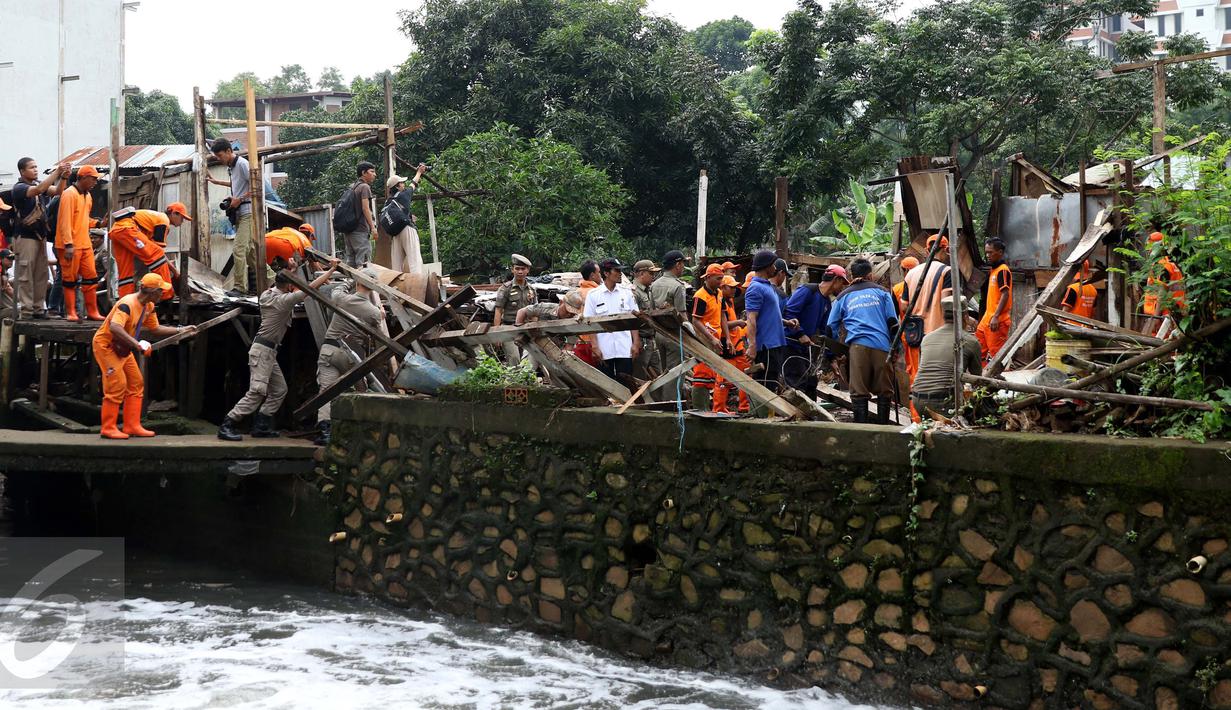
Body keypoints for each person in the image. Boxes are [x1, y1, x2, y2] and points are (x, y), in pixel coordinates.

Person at [218, 258, 340, 441]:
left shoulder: (267, 294)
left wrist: (292, 269)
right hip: (263, 351)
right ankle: (229, 423)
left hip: (268, 351)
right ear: (289, 286)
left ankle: (261, 424)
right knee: (258, 390)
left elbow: (285, 280)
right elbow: (310, 289)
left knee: (279, 389)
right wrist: (331, 270)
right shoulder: (283, 301)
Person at [92, 273, 195, 439]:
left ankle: (132, 425)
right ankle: (108, 427)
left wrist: (181, 330)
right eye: (160, 291)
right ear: (152, 292)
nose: (163, 294)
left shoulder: (148, 306)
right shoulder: (127, 304)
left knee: (136, 382)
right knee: (117, 384)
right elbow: (115, 328)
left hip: (123, 347)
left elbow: (155, 328)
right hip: (107, 346)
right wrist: (137, 345)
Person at [314, 268, 385, 445]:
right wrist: (381, 316)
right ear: (373, 288)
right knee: (363, 389)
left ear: (358, 282)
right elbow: (378, 334)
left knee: (326, 391)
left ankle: (325, 431)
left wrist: (350, 280)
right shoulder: (373, 312)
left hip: (329, 349)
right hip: (350, 354)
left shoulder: (341, 298)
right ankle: (361, 430)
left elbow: (337, 289)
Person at [827, 258, 900, 424]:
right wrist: (896, 349)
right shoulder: (882, 292)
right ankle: (883, 431)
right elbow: (893, 323)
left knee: (859, 393)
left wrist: (835, 353)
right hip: (882, 347)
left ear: (852, 275)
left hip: (858, 348)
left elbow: (831, 327)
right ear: (870, 275)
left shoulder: (843, 296)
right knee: (884, 392)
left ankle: (861, 432)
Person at [10, 158, 70, 319]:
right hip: (25, 237)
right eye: (32, 167)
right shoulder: (19, 188)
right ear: (22, 171)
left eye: (36, 166)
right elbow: (38, 189)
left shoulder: (37, 184)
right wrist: (57, 172)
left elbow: (58, 191)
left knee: (40, 275)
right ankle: (27, 310)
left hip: (39, 236)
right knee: (26, 274)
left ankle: (38, 308)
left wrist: (63, 177)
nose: (36, 170)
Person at [911, 294, 982, 417]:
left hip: (917, 399)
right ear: (965, 317)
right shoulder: (970, 341)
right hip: (943, 402)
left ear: (943, 316)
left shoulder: (927, 338)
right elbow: (977, 381)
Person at [208, 138, 258, 296]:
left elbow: (257, 187)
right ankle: (271, 279)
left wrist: (240, 199)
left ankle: (240, 288)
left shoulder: (242, 164)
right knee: (250, 254)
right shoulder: (232, 167)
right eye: (216, 157)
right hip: (240, 213)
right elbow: (237, 185)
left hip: (249, 212)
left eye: (220, 155)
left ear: (229, 151)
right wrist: (218, 183)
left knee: (238, 249)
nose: (219, 159)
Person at [744, 249, 797, 398]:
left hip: (775, 344)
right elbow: (751, 318)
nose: (775, 268)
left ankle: (768, 417)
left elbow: (768, 315)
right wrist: (752, 346)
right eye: (773, 265)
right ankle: (761, 418)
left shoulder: (767, 286)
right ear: (767, 266)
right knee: (765, 386)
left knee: (772, 384)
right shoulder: (755, 288)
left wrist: (786, 322)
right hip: (766, 346)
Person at [54, 165, 104, 322]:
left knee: (91, 278)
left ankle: (92, 312)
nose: (95, 182)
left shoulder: (87, 196)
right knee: (70, 279)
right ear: (83, 178)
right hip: (70, 245)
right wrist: (68, 244)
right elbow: (64, 222)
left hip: (85, 244)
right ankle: (71, 312)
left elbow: (83, 220)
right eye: (93, 178)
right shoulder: (69, 194)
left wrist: (99, 223)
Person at [109, 204, 188, 300]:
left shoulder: (154, 219)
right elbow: (158, 255)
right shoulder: (164, 221)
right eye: (182, 218)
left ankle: (125, 299)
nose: (182, 222)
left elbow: (150, 251)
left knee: (126, 270)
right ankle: (167, 294)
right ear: (174, 213)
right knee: (157, 254)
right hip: (128, 228)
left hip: (117, 230)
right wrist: (175, 271)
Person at [582, 258, 640, 379]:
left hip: (624, 347)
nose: (620, 274)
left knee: (626, 382)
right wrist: (595, 346)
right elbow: (590, 322)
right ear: (606, 273)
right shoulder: (593, 295)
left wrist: (636, 342)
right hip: (604, 348)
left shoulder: (627, 293)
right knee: (607, 384)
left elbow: (634, 320)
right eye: (617, 271)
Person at [688, 263, 727, 409]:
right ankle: (699, 408)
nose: (720, 282)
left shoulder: (719, 293)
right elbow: (696, 320)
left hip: (716, 340)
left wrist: (727, 338)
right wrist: (711, 338)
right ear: (709, 277)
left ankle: (707, 407)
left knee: (711, 375)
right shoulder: (700, 296)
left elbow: (723, 315)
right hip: (704, 339)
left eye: (722, 278)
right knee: (701, 376)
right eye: (718, 279)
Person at [650, 249, 690, 390]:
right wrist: (691, 335)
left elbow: (652, 311)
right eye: (683, 264)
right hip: (675, 335)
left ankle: (664, 405)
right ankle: (673, 407)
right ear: (677, 265)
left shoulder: (654, 285)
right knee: (676, 375)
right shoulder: (678, 286)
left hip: (660, 335)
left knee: (665, 373)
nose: (683, 267)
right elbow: (682, 315)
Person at [713, 275, 751, 414]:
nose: (734, 290)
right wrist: (739, 323)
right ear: (722, 287)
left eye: (735, 287)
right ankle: (718, 409)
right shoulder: (720, 301)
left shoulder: (730, 301)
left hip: (738, 345)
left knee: (746, 376)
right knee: (724, 379)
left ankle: (744, 407)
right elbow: (722, 324)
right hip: (727, 345)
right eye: (731, 287)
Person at [902, 235, 953, 336]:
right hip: (937, 333)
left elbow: (904, 306)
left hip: (916, 333)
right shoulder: (946, 271)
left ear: (927, 251)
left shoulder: (911, 273)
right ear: (946, 249)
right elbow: (946, 303)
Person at [492, 253, 537, 363]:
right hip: (509, 329)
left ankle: (525, 380)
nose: (520, 272)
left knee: (529, 361)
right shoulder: (505, 288)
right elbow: (498, 311)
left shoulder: (532, 290)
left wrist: (534, 330)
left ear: (528, 270)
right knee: (514, 359)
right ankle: (515, 380)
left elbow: (535, 312)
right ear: (512, 270)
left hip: (526, 329)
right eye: (517, 268)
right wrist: (497, 334)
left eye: (523, 269)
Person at [976, 237, 1012, 365]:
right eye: (986, 252)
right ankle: (981, 380)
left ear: (1000, 252)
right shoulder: (994, 270)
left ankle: (1001, 382)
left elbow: (1005, 294)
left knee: (998, 356)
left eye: (990, 252)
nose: (987, 255)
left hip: (997, 320)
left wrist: (996, 316)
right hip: (987, 318)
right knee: (979, 351)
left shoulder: (1003, 270)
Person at [386, 163, 427, 273]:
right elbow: (413, 184)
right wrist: (419, 172)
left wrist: (409, 215)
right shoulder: (403, 195)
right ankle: (418, 286)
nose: (404, 184)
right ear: (397, 186)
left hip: (395, 233)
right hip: (406, 228)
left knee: (396, 267)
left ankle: (395, 288)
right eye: (402, 183)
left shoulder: (388, 201)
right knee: (415, 260)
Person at [1142, 231, 1184, 333]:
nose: (1148, 251)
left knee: (1160, 344)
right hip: (1173, 313)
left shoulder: (1161, 266)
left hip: (1163, 316)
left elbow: (1162, 292)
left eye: (1150, 247)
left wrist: (1156, 317)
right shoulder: (1170, 264)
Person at [340, 161, 377, 267]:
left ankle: (350, 284)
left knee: (351, 262)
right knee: (364, 264)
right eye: (372, 172)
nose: (375, 174)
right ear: (364, 173)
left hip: (349, 231)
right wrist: (373, 227)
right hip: (360, 230)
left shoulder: (353, 187)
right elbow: (366, 208)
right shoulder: (364, 187)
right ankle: (362, 284)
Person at [629, 259, 662, 379]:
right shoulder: (633, 293)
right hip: (641, 341)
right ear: (641, 273)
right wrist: (636, 342)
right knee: (640, 376)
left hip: (651, 339)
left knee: (659, 375)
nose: (653, 277)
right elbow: (632, 320)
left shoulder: (648, 291)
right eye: (651, 273)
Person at [1061, 260, 1098, 324]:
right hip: (1087, 328)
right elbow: (1093, 314)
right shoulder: (1093, 290)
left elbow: (1064, 313)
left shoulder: (1073, 288)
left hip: (1072, 328)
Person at [89, 229, 112, 315]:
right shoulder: (94, 250)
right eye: (91, 238)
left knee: (102, 306)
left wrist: (102, 280)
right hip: (94, 279)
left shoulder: (104, 251)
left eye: (95, 238)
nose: (92, 240)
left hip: (100, 281)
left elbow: (109, 269)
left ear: (102, 239)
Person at [0, 248, 15, 320]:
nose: (11, 261)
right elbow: (9, 290)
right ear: (1, 259)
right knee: (19, 310)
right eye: (9, 258)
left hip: (4, 308)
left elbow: (11, 291)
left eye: (12, 259)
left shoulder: (5, 273)